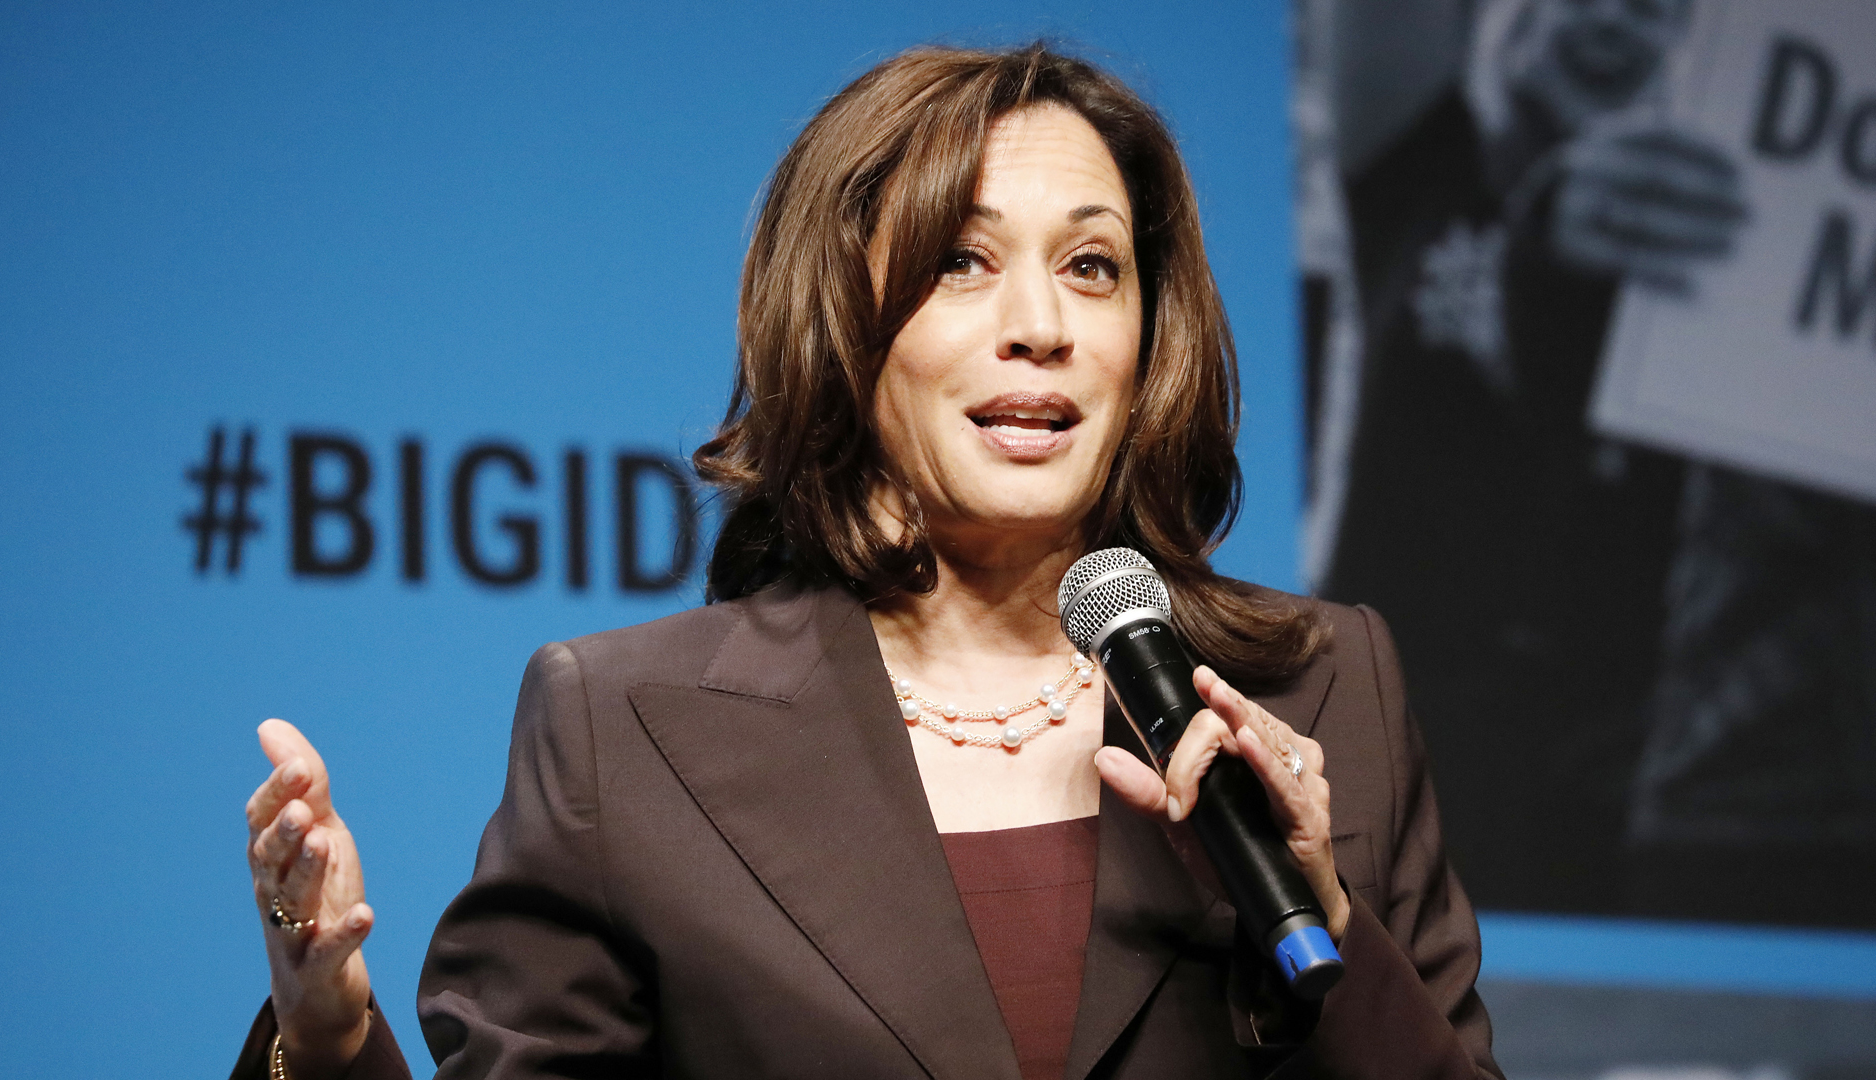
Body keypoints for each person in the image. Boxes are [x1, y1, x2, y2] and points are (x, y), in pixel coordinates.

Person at [236, 44, 1501, 1079]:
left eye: (1092, 267)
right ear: (848, 324)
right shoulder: (628, 730)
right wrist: (328, 1033)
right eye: (965, 260)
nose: (1043, 328)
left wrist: (1325, 918)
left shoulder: (1325, 694)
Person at [1307, 0, 1747, 913]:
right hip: (1381, 737)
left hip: (1597, 788)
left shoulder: (1715, 258)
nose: (1617, 24)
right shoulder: (1422, 165)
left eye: (1659, 13)